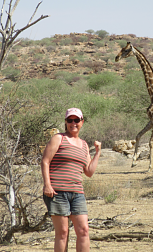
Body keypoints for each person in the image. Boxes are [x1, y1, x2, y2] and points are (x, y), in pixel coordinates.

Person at [41, 107, 101, 252]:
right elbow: (45, 161)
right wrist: (47, 185)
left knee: (84, 231)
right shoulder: (59, 138)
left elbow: (89, 172)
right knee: (62, 233)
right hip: (57, 192)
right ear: (66, 122)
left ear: (82, 122)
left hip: (77, 193)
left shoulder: (84, 145)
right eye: (70, 120)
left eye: (76, 120)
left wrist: (98, 152)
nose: (73, 123)